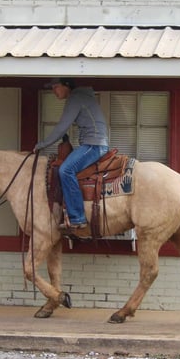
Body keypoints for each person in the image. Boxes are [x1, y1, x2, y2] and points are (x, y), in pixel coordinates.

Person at [33, 77, 109, 239]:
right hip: (91, 143)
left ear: (66, 85)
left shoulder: (76, 98)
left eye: (56, 87)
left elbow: (62, 126)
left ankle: (78, 218)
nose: (54, 91)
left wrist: (42, 144)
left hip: (94, 145)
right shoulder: (81, 97)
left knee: (66, 170)